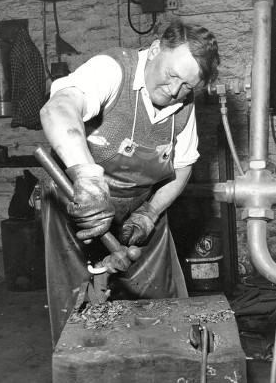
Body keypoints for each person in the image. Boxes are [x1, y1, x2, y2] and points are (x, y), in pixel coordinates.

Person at [40, 19, 220, 347]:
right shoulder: (112, 70)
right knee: (80, 314)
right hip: (76, 200)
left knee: (165, 310)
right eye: (172, 76)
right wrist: (87, 180)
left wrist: (149, 213)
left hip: (138, 206)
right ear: (154, 50)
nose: (175, 90)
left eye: (187, 86)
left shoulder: (184, 104)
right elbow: (58, 109)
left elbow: (181, 169)